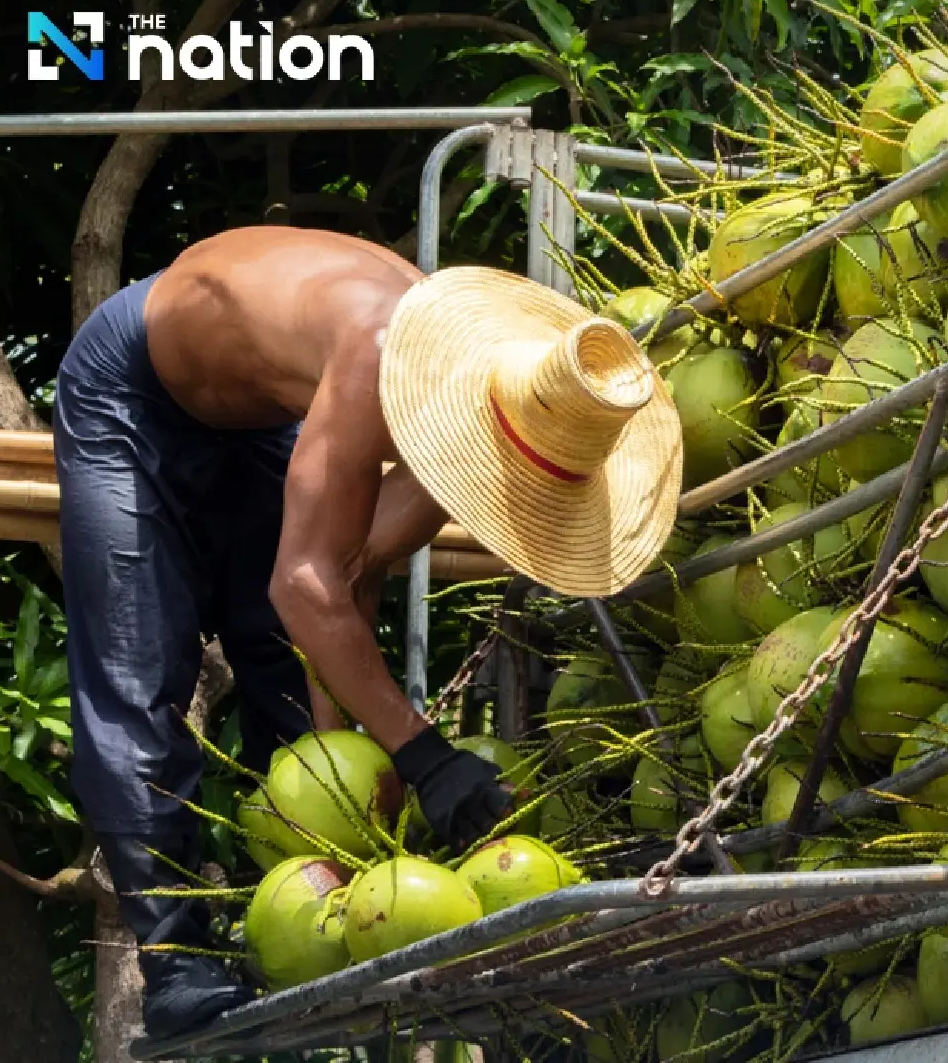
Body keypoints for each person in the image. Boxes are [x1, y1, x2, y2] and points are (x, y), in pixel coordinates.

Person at [54, 227, 681, 1038]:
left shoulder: (484, 410)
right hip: (132, 388)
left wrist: (344, 775)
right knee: (140, 670)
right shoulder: (386, 354)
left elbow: (349, 574)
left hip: (257, 413)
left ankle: (291, 920)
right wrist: (426, 756)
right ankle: (174, 959)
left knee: (285, 668)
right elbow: (303, 584)